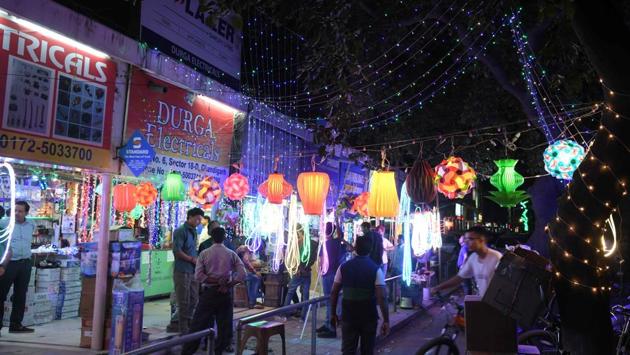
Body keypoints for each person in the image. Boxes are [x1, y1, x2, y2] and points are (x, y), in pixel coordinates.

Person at [182, 227, 246, 355]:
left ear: (211, 237)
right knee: (224, 327)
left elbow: (198, 276)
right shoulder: (231, 253)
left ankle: (188, 351)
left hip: (209, 293)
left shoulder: (204, 253)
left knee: (198, 325)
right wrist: (227, 284)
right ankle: (219, 351)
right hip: (225, 294)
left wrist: (215, 281)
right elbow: (242, 274)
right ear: (224, 238)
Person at [331, 235, 389, 355]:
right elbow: (382, 297)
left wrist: (333, 313)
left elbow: (334, 291)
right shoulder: (376, 269)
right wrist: (386, 320)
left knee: (348, 350)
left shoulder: (343, 267)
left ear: (355, 248)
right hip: (368, 316)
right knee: (367, 350)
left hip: (348, 316)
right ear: (370, 249)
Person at [431, 226, 502, 297]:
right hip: (484, 301)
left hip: (498, 304)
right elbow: (459, 278)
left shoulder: (496, 257)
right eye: (466, 239)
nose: (467, 242)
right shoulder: (473, 258)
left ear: (481, 240)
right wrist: (437, 288)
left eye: (471, 239)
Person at [0, 201, 36, 334]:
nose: (17, 213)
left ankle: (16, 324)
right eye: (15, 210)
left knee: (20, 294)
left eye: (20, 211)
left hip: (25, 263)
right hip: (8, 264)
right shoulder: (4, 223)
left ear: (26, 213)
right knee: (1, 294)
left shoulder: (31, 224)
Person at [172, 207, 204, 334]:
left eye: (200, 220)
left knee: (194, 299)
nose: (198, 222)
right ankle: (183, 329)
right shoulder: (181, 231)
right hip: (182, 270)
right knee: (183, 301)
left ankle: (189, 323)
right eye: (197, 219)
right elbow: (177, 251)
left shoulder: (194, 232)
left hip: (192, 270)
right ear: (190, 217)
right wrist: (191, 259)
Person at [318, 222, 348, 339]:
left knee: (329, 300)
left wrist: (321, 270)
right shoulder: (339, 244)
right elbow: (349, 249)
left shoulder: (325, 245)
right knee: (334, 300)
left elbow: (321, 261)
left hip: (328, 274)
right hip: (337, 275)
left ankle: (331, 328)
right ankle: (327, 323)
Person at [284, 227, 318, 320]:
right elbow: (314, 258)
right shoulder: (313, 243)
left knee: (291, 292)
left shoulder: (299, 243)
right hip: (305, 271)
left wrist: (298, 268)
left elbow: (295, 257)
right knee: (305, 295)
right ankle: (303, 316)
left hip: (299, 271)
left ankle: (285, 314)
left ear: (301, 233)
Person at [236, 245, 263, 309]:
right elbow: (246, 262)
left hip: (236, 272)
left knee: (252, 278)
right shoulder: (245, 250)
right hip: (239, 274)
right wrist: (255, 272)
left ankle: (252, 299)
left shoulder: (241, 248)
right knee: (256, 278)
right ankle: (252, 301)